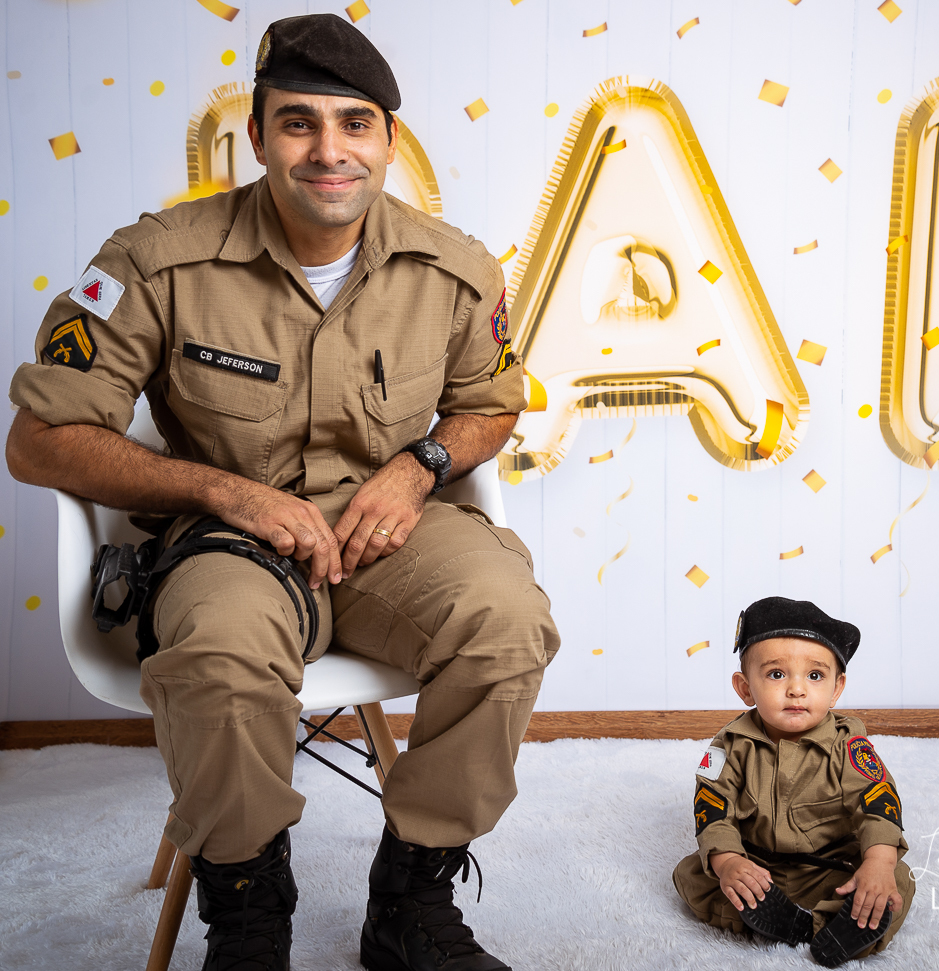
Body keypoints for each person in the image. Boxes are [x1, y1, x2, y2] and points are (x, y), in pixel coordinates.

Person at [6, 14, 558, 971]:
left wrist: (419, 464)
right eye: (298, 122)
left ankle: (412, 893)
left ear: (391, 139)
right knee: (219, 654)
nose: (328, 149)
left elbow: (492, 405)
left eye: (354, 123)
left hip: (393, 535)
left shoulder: (457, 269)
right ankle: (249, 910)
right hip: (234, 544)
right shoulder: (155, 262)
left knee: (507, 621)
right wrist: (223, 489)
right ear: (256, 138)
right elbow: (39, 439)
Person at [672, 597, 914, 967]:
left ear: (837, 688)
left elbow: (877, 803)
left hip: (832, 866)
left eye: (814, 676)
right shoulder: (730, 745)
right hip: (757, 868)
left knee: (896, 879)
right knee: (691, 875)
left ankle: (835, 928)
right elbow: (712, 807)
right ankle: (775, 919)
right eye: (776, 674)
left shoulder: (848, 744)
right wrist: (729, 863)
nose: (797, 690)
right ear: (745, 688)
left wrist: (877, 863)